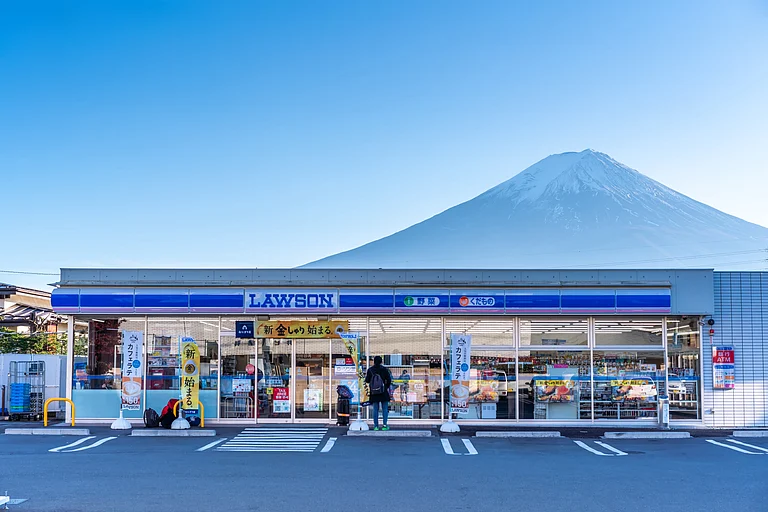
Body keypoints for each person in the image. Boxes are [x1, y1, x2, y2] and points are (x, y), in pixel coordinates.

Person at [365, 356, 392, 431]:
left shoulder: (370, 370)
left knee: (375, 409)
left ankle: (376, 426)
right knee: (385, 409)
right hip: (383, 392)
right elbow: (389, 380)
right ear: (381, 362)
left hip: (374, 392)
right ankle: (384, 425)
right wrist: (385, 387)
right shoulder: (384, 369)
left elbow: (367, 380)